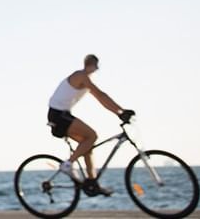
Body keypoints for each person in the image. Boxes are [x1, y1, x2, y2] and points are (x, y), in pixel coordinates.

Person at [46, 54, 135, 196]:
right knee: (92, 135)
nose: (97, 69)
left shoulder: (84, 79)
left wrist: (120, 112)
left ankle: (92, 183)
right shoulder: (80, 76)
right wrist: (120, 112)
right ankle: (68, 165)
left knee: (87, 146)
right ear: (91, 65)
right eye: (96, 65)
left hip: (61, 115)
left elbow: (101, 99)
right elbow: (101, 95)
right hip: (58, 116)